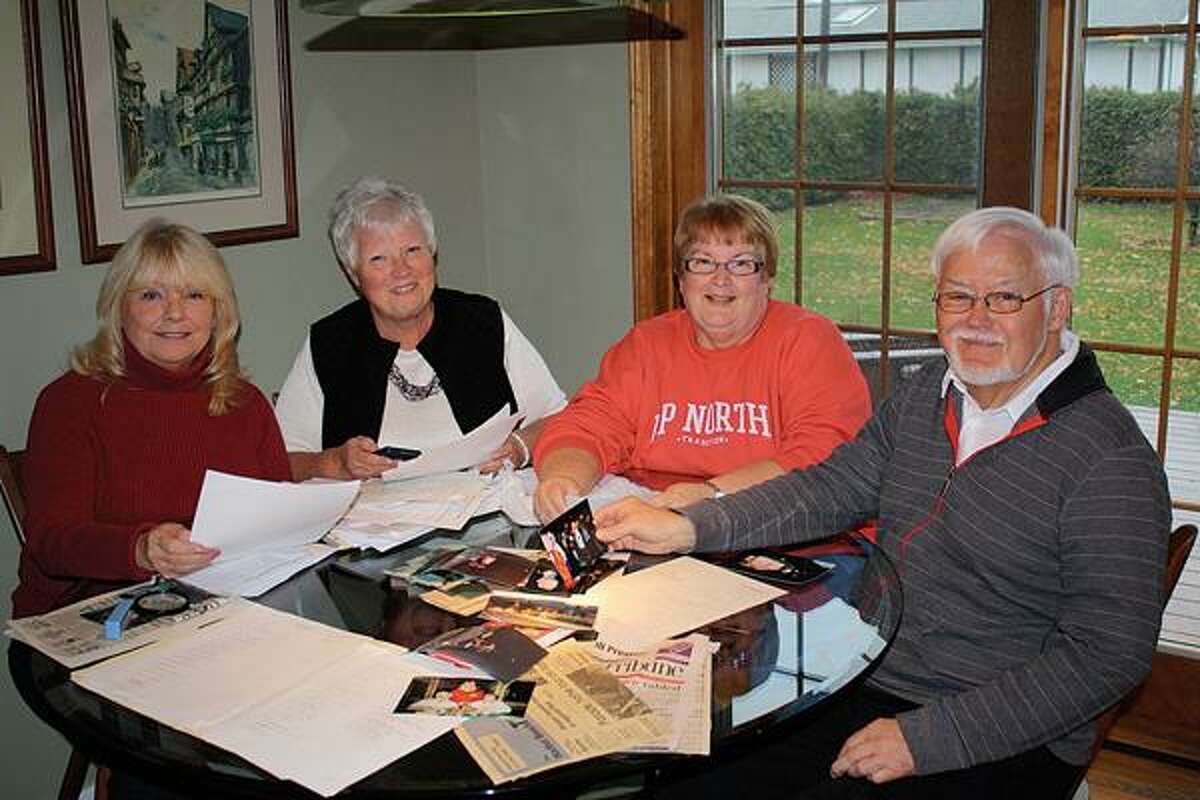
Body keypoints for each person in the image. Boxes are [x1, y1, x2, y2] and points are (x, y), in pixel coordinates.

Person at [594, 207, 1171, 799]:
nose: (976, 320)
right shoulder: (927, 396)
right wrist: (688, 526)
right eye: (956, 298)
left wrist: (928, 739)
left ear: (1055, 308)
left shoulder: (1108, 459)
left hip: (999, 727)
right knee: (679, 780)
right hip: (871, 674)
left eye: (1003, 299)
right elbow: (831, 488)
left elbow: (1108, 655)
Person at [12, 219, 291, 619]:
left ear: (218, 312)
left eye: (194, 295)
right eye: (151, 295)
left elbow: (277, 518)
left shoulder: (245, 403)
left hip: (223, 608)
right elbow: (50, 541)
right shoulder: (70, 403)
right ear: (118, 308)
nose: (174, 314)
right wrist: (140, 548)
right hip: (92, 617)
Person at [533, 193, 871, 521]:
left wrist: (711, 496)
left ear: (767, 278)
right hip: (654, 525)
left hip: (781, 529)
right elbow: (588, 425)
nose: (720, 280)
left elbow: (826, 458)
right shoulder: (647, 344)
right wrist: (564, 480)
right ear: (681, 279)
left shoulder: (809, 340)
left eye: (741, 264)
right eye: (703, 262)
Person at [275, 176, 566, 481]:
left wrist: (519, 448)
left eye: (412, 250)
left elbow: (558, 416)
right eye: (379, 259)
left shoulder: (482, 321)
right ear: (353, 273)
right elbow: (282, 462)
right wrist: (335, 463)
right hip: (375, 525)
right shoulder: (330, 343)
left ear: (433, 254)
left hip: (489, 516)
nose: (401, 271)